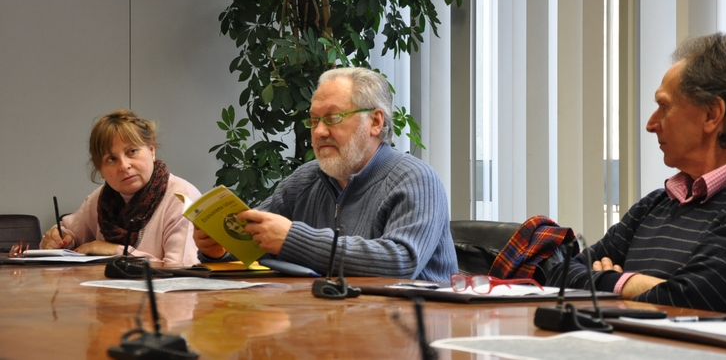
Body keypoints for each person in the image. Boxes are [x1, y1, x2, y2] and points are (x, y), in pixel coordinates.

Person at [546, 33, 726, 317]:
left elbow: (692, 303)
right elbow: (559, 275)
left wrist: (610, 282)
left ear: (711, 115)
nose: (651, 124)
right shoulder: (654, 205)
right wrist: (636, 284)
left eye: (664, 106)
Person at [194, 67, 458, 282]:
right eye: (314, 120)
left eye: (332, 118)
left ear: (375, 122)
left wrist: (293, 239)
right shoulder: (306, 179)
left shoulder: (416, 179)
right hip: (329, 324)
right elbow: (256, 239)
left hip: (408, 331)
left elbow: (401, 262)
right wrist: (219, 249)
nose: (319, 132)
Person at [41, 109, 202, 266]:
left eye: (132, 151)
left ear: (151, 150)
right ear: (100, 170)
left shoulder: (182, 197)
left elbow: (182, 270)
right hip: (104, 292)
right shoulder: (100, 199)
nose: (124, 166)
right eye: (111, 159)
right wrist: (58, 237)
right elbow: (67, 231)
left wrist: (116, 250)